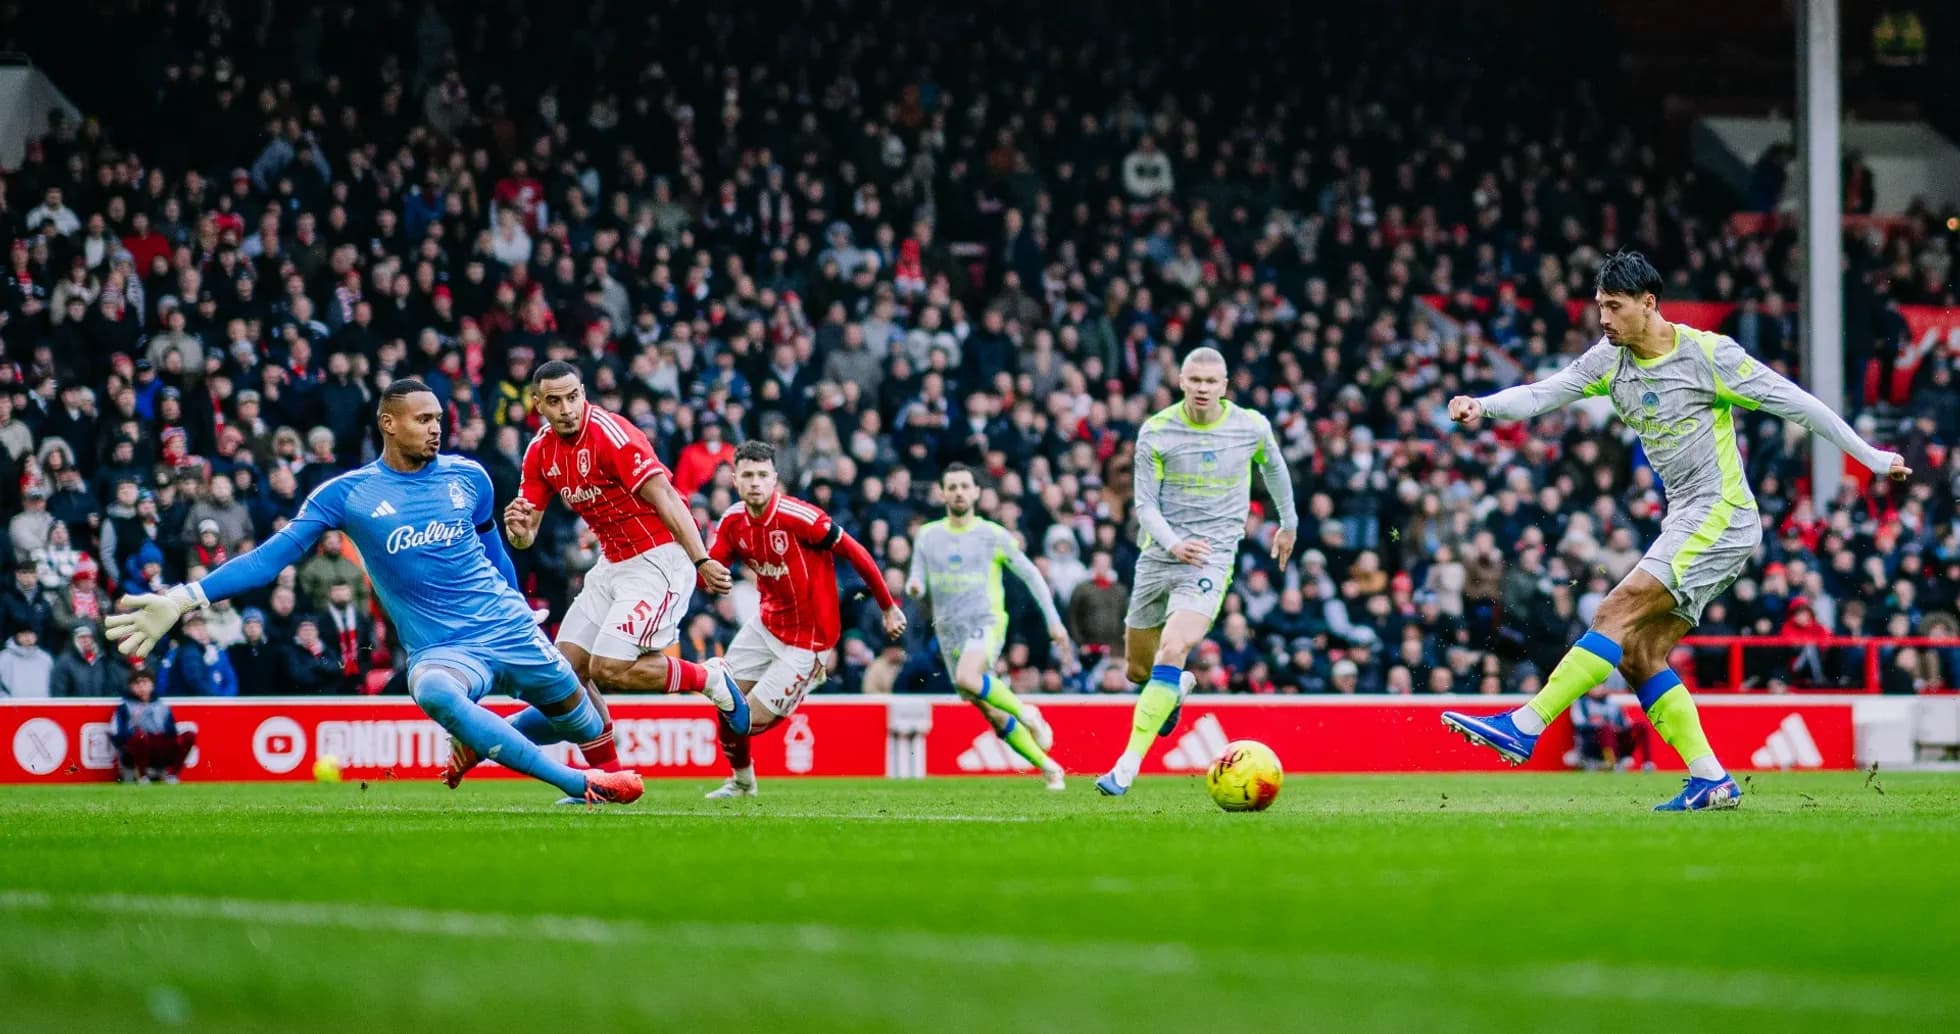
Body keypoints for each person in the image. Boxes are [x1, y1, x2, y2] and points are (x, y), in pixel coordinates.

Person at [1441, 252, 1909, 811]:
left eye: (1614, 307)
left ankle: (1525, 724)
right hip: (1687, 517)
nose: (1604, 319)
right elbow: (1544, 392)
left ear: (1649, 303)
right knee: (1638, 652)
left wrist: (1871, 457)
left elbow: (1800, 405)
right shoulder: (1609, 359)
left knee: (1614, 612)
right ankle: (1712, 779)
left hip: (1721, 514)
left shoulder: (1709, 355)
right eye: (1599, 306)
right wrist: (1482, 406)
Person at [106, 378, 646, 805]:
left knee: (585, 721)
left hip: (509, 627)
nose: (436, 429)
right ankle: (578, 784)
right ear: (389, 423)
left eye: (439, 419)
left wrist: (521, 608)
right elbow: (270, 558)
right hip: (444, 649)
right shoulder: (348, 494)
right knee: (433, 691)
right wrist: (183, 598)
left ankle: (481, 739)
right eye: (423, 419)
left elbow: (495, 555)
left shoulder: (470, 477)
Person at [488, 361, 744, 785]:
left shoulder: (612, 434)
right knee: (565, 676)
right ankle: (609, 779)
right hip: (612, 563)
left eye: (573, 396)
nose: (567, 408)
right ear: (538, 405)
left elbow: (666, 496)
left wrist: (701, 559)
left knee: (608, 666)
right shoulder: (539, 452)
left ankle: (710, 677)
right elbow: (525, 536)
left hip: (659, 558)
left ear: (583, 393)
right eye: (555, 401)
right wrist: (517, 530)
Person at [1096, 347, 1298, 797]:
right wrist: (1173, 544)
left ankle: (1126, 766)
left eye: (1211, 381)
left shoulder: (1250, 426)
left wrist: (1289, 522)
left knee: (1174, 646)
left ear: (1224, 386)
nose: (1203, 388)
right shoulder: (1157, 431)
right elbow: (1144, 505)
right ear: (1182, 382)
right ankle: (1176, 689)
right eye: (1195, 380)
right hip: (1160, 554)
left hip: (1211, 556)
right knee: (1138, 671)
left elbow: (1275, 468)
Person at [700, 441, 906, 798]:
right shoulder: (732, 521)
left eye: (762, 475)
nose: (755, 483)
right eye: (747, 475)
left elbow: (855, 551)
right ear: (734, 480)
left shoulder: (801, 518)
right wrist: (703, 569)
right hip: (767, 625)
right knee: (725, 701)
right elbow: (711, 570)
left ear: (775, 479)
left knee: (745, 719)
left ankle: (807, 676)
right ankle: (743, 782)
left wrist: (887, 606)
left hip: (809, 640)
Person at [907, 463, 1072, 790]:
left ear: (977, 493)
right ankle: (1050, 767)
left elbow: (1031, 574)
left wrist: (1054, 621)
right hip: (949, 633)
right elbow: (916, 577)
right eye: (952, 487)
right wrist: (914, 587)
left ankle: (1027, 713)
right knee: (992, 712)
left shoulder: (992, 535)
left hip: (985, 622)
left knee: (969, 677)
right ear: (942, 493)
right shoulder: (928, 536)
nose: (958, 492)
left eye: (964, 486)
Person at [110, 668, 195, 783]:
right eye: (137, 684)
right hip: (136, 749)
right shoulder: (125, 707)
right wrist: (132, 732)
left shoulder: (162, 706)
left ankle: (172, 775)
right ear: (131, 687)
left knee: (189, 735)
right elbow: (116, 734)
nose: (142, 688)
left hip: (160, 748)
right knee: (140, 737)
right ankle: (142, 776)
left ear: (152, 685)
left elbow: (171, 732)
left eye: (145, 683)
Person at [51, 622, 126, 697]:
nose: (86, 640)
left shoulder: (103, 660)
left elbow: (111, 690)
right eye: (82, 637)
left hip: (100, 704)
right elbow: (59, 693)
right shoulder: (64, 663)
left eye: (89, 636)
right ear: (74, 639)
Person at [0, 627, 53, 697]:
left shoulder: (45, 658)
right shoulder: (4, 657)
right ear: (16, 636)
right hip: (12, 703)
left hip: (42, 703)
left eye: (30, 633)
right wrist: (6, 700)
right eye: (23, 633)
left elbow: (53, 685)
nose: (27, 637)